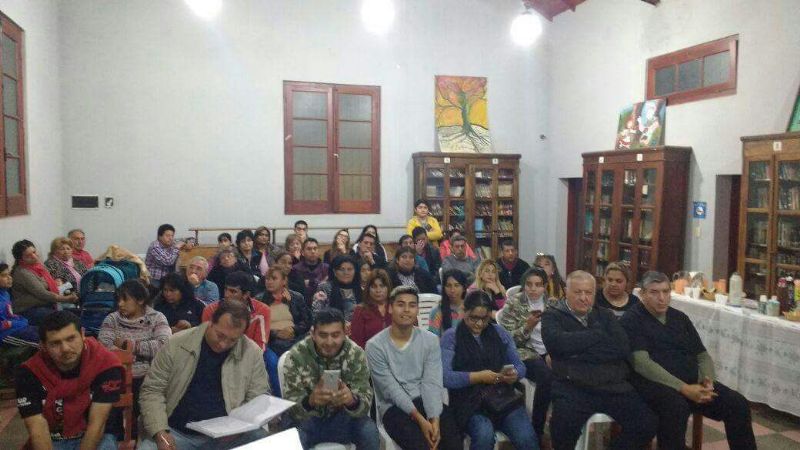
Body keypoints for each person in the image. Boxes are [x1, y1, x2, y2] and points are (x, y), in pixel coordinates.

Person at [620, 271, 756, 450]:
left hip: (693, 382)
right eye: (654, 292)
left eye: (666, 291)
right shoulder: (632, 319)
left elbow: (702, 355)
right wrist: (684, 388)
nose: (662, 298)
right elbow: (642, 363)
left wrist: (708, 381)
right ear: (642, 294)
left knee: (738, 404)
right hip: (653, 384)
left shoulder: (680, 318)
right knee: (676, 408)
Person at [541, 270, 657, 450]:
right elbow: (557, 345)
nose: (583, 298)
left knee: (647, 423)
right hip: (573, 386)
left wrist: (578, 352)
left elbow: (621, 348)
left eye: (588, 293)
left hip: (611, 385)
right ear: (566, 291)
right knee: (561, 429)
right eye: (577, 292)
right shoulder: (552, 315)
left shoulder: (605, 315)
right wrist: (597, 335)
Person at [138, 301, 269, 450]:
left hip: (228, 436)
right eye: (220, 335)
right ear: (210, 322)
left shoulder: (251, 352)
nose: (223, 344)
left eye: (233, 340)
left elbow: (257, 397)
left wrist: (239, 427)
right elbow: (152, 391)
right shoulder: (176, 344)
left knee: (264, 441)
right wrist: (160, 432)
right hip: (177, 433)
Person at [366, 286, 461, 450]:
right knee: (421, 446)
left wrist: (434, 418)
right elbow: (390, 389)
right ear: (390, 307)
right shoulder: (375, 345)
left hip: (427, 401)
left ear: (417, 309)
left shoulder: (430, 341)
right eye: (400, 304)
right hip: (394, 408)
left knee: (453, 442)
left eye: (412, 305)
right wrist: (421, 420)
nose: (406, 310)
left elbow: (431, 382)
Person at [441, 290, 538, 450]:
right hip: (469, 403)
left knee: (526, 437)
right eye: (473, 318)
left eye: (484, 319)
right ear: (464, 312)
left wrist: (514, 375)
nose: (479, 324)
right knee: (484, 435)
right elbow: (445, 377)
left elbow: (521, 366)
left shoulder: (499, 333)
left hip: (503, 398)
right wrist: (478, 377)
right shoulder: (451, 337)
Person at [16, 311, 122, 450]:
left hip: (98, 436)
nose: (65, 348)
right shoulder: (29, 372)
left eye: (71, 338)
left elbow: (97, 424)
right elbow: (37, 428)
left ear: (83, 334)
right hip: (53, 437)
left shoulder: (105, 364)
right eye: (55, 343)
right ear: (43, 346)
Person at [282, 308, 379, 450]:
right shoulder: (297, 355)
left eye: (335, 335)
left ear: (345, 333)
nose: (329, 342)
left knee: (369, 432)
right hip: (307, 420)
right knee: (293, 437)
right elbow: (290, 407)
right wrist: (310, 401)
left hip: (344, 419)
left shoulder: (356, 354)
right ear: (313, 334)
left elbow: (365, 403)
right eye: (323, 335)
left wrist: (352, 401)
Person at [98, 279, 170, 439]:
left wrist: (126, 344)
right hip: (117, 374)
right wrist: (143, 351)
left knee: (146, 403)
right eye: (118, 299)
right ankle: (113, 438)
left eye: (125, 299)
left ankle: (143, 437)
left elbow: (163, 345)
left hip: (147, 376)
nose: (120, 304)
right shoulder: (112, 319)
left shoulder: (157, 318)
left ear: (140, 300)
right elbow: (104, 347)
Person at [499, 267, 553, 440]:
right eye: (529, 284)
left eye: (538, 285)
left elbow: (558, 334)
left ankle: (561, 423)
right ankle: (537, 430)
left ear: (545, 286)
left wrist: (553, 351)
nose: (533, 289)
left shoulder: (552, 304)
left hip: (548, 351)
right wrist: (527, 327)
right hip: (525, 352)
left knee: (568, 374)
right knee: (545, 377)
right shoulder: (514, 303)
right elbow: (507, 340)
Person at [11, 240, 78, 325]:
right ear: (21, 259)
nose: (34, 256)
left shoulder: (38, 266)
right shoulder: (22, 272)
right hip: (29, 309)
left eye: (34, 252)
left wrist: (54, 282)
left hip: (45, 303)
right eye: (28, 256)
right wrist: (66, 299)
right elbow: (42, 293)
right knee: (63, 320)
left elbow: (45, 284)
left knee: (75, 314)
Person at [202, 271, 271, 351]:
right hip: (217, 352)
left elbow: (260, 347)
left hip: (249, 354)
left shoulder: (262, 310)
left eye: (233, 291)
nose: (226, 295)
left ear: (246, 295)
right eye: (226, 289)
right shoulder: (210, 310)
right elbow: (207, 342)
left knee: (271, 360)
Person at [260, 267, 312, 356]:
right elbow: (258, 326)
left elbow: (307, 321)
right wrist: (276, 333)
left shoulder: (296, 297)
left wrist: (294, 330)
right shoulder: (260, 300)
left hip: (296, 336)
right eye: (267, 279)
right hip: (272, 341)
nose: (269, 282)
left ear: (284, 281)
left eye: (274, 278)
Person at [350, 269, 393, 348]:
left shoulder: (397, 307)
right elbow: (356, 342)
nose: (378, 290)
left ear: (388, 287)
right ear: (368, 289)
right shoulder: (360, 310)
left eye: (382, 286)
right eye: (374, 286)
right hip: (369, 356)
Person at [313, 255, 362, 323]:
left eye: (350, 269)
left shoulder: (361, 289)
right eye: (342, 269)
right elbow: (317, 314)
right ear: (335, 272)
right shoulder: (324, 287)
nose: (346, 273)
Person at [0, 262, 38, 347]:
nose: (9, 278)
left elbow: (10, 315)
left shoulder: (5, 294)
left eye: (9, 274)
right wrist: (13, 323)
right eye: (4, 275)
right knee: (44, 343)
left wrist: (20, 321)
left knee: (46, 332)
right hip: (5, 335)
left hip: (15, 327)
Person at [428, 269, 467, 337]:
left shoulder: (470, 309)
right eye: (448, 286)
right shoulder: (437, 311)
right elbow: (433, 340)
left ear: (463, 288)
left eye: (456, 285)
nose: (452, 290)